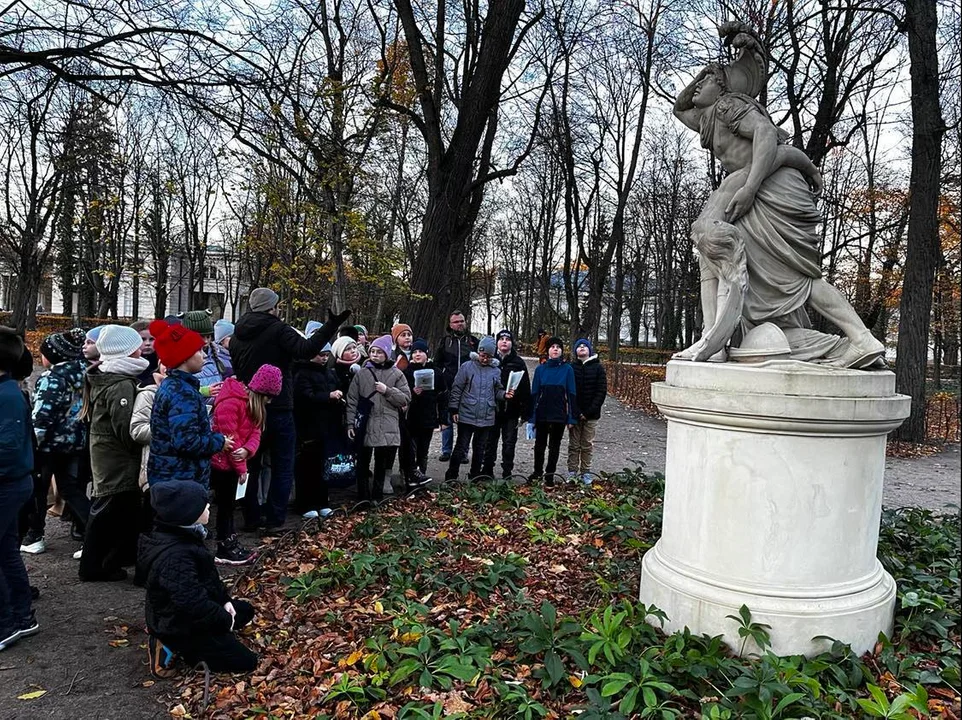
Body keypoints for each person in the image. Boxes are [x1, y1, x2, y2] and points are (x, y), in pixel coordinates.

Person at [671, 21, 883, 369]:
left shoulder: (729, 106)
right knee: (716, 248)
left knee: (793, 275)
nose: (697, 86)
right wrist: (710, 74)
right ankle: (714, 338)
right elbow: (681, 108)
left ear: (722, 87)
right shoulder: (711, 117)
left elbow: (768, 136)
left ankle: (861, 338)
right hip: (763, 184)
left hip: (768, 189)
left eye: (706, 79)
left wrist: (751, 188)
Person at [229, 288, 349, 533]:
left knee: (251, 463)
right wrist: (331, 325)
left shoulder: (237, 334)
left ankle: (251, 517)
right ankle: (274, 520)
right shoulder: (278, 329)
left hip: (249, 405)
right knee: (283, 464)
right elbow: (306, 349)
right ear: (272, 307)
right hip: (279, 406)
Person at [138, 481, 257, 675]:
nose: (209, 506)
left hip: (193, 610)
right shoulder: (176, 555)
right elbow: (192, 603)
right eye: (204, 505)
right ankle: (170, 645)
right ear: (188, 513)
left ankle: (212, 637)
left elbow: (208, 578)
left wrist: (225, 601)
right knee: (245, 662)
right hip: (178, 623)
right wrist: (224, 620)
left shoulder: (188, 535)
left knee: (244, 610)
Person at [79, 324, 150, 582]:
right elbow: (125, 428)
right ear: (126, 352)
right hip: (115, 459)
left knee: (117, 510)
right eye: (137, 345)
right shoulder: (119, 384)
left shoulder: (111, 377)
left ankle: (110, 560)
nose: (143, 347)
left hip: (109, 455)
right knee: (107, 509)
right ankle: (93, 565)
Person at [21, 329, 90, 556]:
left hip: (48, 446)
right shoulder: (84, 374)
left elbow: (42, 416)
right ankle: (90, 532)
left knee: (39, 490)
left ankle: (35, 536)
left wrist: (32, 443)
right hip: (76, 442)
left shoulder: (52, 378)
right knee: (72, 489)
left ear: (50, 356)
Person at [146, 320, 232, 490]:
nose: (205, 355)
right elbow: (187, 442)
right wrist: (219, 441)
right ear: (185, 356)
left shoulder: (173, 385)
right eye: (199, 350)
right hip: (181, 479)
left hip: (171, 475)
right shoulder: (182, 393)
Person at [210, 364, 282, 565]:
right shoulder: (230, 404)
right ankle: (223, 546)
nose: (269, 402)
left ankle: (230, 541)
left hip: (237, 463)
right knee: (224, 507)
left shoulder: (254, 407)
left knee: (230, 506)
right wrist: (242, 467)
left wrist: (249, 450)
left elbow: (255, 432)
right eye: (268, 398)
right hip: (223, 464)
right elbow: (229, 439)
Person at [0, 328, 39, 652]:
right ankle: (21, 617)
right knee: (6, 550)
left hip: (8, 484)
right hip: (9, 482)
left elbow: (8, 449)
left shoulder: (8, 395)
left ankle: (7, 623)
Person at [346, 335, 411, 504]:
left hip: (387, 424)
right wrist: (350, 423)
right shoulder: (361, 374)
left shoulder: (397, 374)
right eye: (372, 351)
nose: (375, 355)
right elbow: (352, 400)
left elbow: (405, 398)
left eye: (379, 352)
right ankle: (362, 497)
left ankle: (377, 497)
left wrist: (387, 391)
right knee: (363, 462)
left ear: (387, 354)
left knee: (381, 464)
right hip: (366, 423)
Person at [445, 336, 510, 482]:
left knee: (480, 449)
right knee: (461, 446)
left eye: (488, 356)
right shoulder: (467, 367)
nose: (485, 359)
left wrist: (505, 395)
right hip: (467, 413)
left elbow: (497, 391)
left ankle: (475, 476)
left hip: (486, 415)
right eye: (483, 355)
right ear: (478, 352)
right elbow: (457, 389)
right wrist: (454, 409)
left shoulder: (495, 371)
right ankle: (451, 476)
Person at [481, 329, 531, 479]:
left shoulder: (518, 362)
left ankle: (507, 471)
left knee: (509, 443)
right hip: (492, 409)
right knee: (490, 441)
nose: (504, 341)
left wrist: (525, 411)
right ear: (497, 343)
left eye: (507, 339)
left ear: (511, 343)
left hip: (512, 410)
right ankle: (487, 469)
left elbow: (525, 388)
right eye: (501, 339)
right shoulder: (490, 360)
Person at [528, 337, 578, 485]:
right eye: (552, 347)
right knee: (539, 445)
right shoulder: (540, 370)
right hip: (543, 413)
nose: (555, 349)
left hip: (559, 414)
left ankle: (549, 474)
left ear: (562, 350)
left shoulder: (567, 370)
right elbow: (535, 393)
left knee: (554, 446)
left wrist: (571, 418)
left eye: (558, 347)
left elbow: (571, 394)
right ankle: (537, 472)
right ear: (547, 350)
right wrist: (532, 417)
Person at [434, 311, 478, 461]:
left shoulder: (472, 341)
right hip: (449, 385)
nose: (460, 324)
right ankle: (446, 450)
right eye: (456, 322)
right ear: (450, 325)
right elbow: (437, 364)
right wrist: (441, 381)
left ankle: (463, 452)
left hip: (468, 387)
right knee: (447, 419)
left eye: (462, 321)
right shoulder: (445, 341)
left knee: (464, 421)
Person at [403, 339, 447, 480]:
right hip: (411, 418)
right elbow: (401, 394)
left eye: (420, 351)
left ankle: (422, 475)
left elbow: (443, 397)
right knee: (409, 449)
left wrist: (443, 419)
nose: (417, 354)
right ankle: (408, 476)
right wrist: (412, 391)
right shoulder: (407, 372)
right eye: (414, 352)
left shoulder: (437, 372)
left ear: (426, 354)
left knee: (423, 451)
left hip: (428, 418)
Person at [568, 338, 607, 484]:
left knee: (587, 445)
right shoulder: (571, 368)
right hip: (575, 414)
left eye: (585, 346)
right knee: (573, 445)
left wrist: (589, 411)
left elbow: (601, 391)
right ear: (575, 351)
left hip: (591, 415)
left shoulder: (598, 368)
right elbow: (569, 391)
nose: (582, 348)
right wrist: (576, 411)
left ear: (590, 350)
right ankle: (572, 471)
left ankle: (586, 472)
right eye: (579, 346)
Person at [181, 310, 232, 402]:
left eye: (208, 337)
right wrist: (204, 391)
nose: (205, 341)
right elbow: (179, 390)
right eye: (201, 337)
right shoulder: (180, 359)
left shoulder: (217, 354)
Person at [130, 320, 159, 388]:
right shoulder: (130, 362)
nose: (147, 343)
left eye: (152, 339)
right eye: (143, 339)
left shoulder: (160, 362)